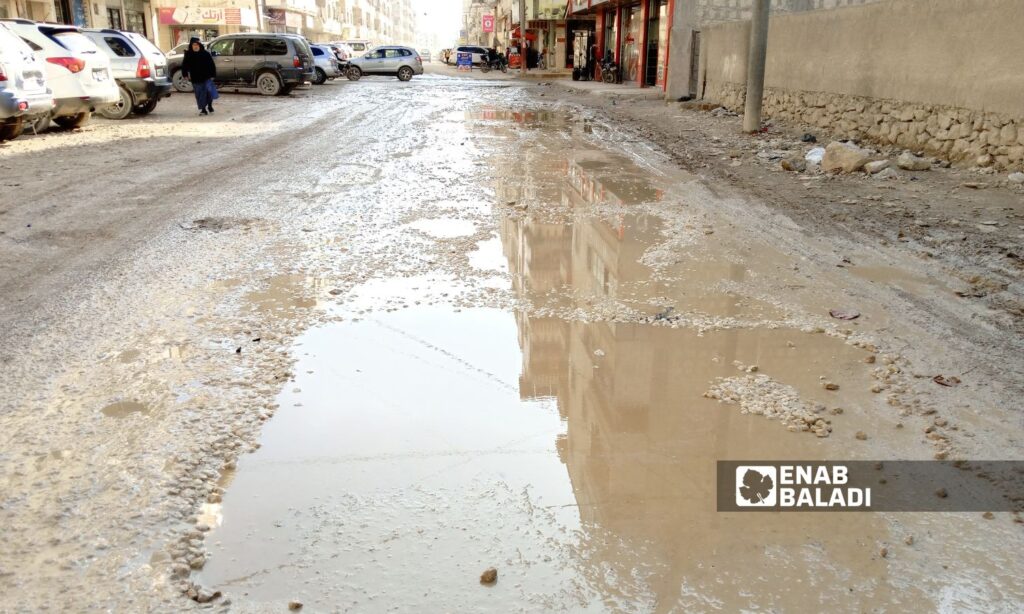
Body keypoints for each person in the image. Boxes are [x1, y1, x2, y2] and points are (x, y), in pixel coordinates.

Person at [180, 38, 217, 116]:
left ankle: (210, 105)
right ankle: (203, 109)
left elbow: (212, 65)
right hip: (196, 78)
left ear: (200, 45)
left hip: (207, 77)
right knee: (199, 94)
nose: (195, 46)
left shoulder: (205, 54)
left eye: (197, 45)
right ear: (191, 46)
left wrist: (213, 75)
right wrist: (185, 75)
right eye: (194, 45)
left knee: (209, 93)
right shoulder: (188, 54)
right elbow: (184, 66)